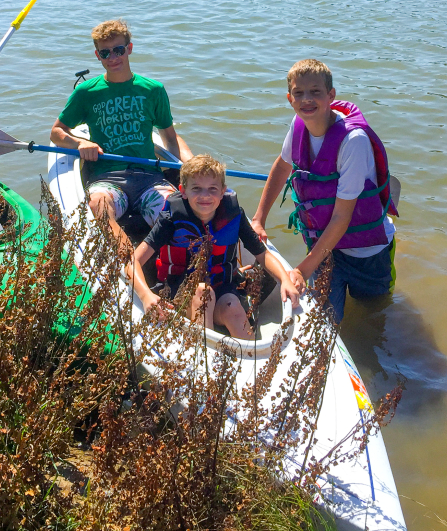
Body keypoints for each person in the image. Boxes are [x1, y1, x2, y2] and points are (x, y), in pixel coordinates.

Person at [250, 59, 398, 323]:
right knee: (326, 321)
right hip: (327, 248)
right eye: (299, 93)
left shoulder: (353, 142)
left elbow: (342, 217)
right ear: (289, 98)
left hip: (368, 252)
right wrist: (259, 219)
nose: (306, 99)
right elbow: (282, 166)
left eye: (315, 92)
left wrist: (302, 270)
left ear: (331, 95)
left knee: (373, 313)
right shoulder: (298, 127)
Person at [50, 19, 194, 251]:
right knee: (99, 204)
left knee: (177, 212)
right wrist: (80, 143)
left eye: (118, 50)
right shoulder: (86, 92)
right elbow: (57, 132)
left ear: (129, 48)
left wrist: (186, 170)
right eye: (105, 53)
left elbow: (169, 136)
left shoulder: (153, 89)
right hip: (107, 179)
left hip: (150, 179)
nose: (113, 58)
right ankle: (129, 267)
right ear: (97, 56)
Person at [131, 155, 305, 338]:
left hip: (222, 289)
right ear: (183, 191)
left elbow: (263, 255)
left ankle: (249, 355)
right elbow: (133, 261)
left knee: (234, 307)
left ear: (223, 191)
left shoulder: (234, 215)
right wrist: (145, 295)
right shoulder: (171, 219)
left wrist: (285, 279)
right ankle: (203, 352)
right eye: (196, 188)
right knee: (203, 293)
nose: (205, 196)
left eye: (212, 189)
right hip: (178, 292)